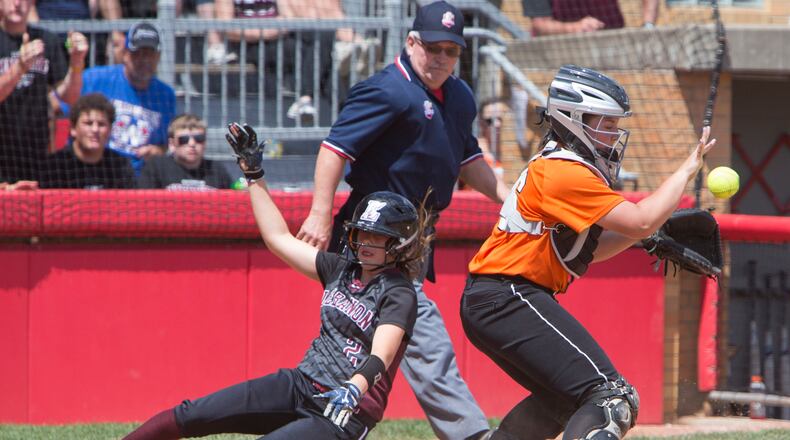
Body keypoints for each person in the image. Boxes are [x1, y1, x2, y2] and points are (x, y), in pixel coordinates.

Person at [123, 122, 431, 440]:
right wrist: (254, 174)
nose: (365, 241)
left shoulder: (399, 292)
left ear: (398, 244)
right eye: (362, 232)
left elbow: (382, 355)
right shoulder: (340, 269)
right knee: (193, 414)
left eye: (376, 236)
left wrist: (355, 388)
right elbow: (277, 238)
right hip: (301, 383)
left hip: (343, 411)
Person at [460, 64, 716, 440]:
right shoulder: (565, 172)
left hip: (498, 298)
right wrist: (687, 169)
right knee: (613, 398)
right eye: (606, 124)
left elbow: (588, 252)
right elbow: (641, 219)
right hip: (507, 296)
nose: (614, 134)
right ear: (574, 119)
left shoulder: (564, 165)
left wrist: (648, 234)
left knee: (563, 400)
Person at [296, 2, 509, 439]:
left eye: (451, 50)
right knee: (422, 339)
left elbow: (468, 159)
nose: (441, 58)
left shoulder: (460, 96)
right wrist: (319, 214)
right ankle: (472, 436)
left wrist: (510, 199)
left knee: (357, 349)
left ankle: (319, 421)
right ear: (411, 42)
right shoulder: (388, 89)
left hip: (415, 238)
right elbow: (335, 149)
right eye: (432, 47)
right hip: (372, 237)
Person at [0, 0, 88, 183]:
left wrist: (77, 63)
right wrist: (20, 68)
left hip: (36, 152)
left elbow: (69, 96)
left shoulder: (46, 41)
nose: (17, 4)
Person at [80, 21, 177, 175]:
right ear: (125, 54)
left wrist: (158, 151)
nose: (144, 60)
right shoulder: (94, 79)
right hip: (95, 169)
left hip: (140, 176)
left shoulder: (165, 95)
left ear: (158, 57)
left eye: (149, 54)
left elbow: (166, 144)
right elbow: (59, 108)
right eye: (138, 53)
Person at [40, 93, 135, 189]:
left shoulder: (120, 167)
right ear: (73, 129)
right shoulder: (54, 166)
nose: (95, 129)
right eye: (88, 123)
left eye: (101, 124)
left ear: (110, 130)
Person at [137, 113, 232, 190]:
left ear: (205, 142)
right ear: (172, 144)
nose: (192, 144)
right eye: (184, 139)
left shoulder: (216, 170)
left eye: (198, 138)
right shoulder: (157, 167)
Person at [522, 0, 660, 36]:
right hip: (559, 51)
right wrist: (576, 27)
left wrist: (648, 25)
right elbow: (540, 24)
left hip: (611, 41)